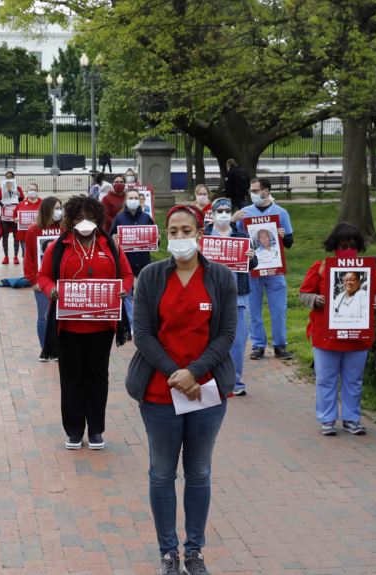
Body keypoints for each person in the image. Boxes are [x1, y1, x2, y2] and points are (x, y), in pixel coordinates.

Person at [126, 204, 237, 575]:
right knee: (162, 473)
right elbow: (143, 333)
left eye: (186, 231)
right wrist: (176, 372)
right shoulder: (151, 276)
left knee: (199, 472)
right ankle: (168, 553)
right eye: (172, 232)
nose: (179, 238)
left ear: (200, 234)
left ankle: (194, 551)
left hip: (207, 392)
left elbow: (226, 334)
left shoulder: (220, 277)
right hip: (159, 393)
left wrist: (195, 372)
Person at [37, 196, 134, 451]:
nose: (84, 222)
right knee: (70, 378)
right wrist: (51, 290)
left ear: (98, 220)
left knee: (97, 378)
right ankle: (73, 430)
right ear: (70, 220)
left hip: (102, 326)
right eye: (79, 218)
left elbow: (127, 275)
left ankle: (96, 429)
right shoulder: (58, 246)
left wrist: (123, 289)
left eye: (90, 218)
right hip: (68, 326)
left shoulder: (110, 246)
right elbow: (43, 276)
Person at [299, 223, 376, 436]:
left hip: (357, 337)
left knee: (353, 381)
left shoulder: (368, 269)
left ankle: (351, 419)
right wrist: (315, 300)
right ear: (334, 245)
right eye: (343, 245)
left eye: (352, 245)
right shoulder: (320, 267)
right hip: (326, 337)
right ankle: (327, 420)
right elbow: (304, 294)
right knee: (325, 380)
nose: (348, 249)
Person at [233, 177, 295, 361]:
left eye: (255, 191)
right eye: (250, 191)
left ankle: (280, 345)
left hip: (275, 270)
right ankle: (258, 345)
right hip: (253, 270)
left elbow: (289, 242)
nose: (251, 194)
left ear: (266, 191)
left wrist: (283, 236)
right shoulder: (245, 213)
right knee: (253, 310)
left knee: (279, 309)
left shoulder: (281, 213)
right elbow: (235, 237)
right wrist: (233, 220)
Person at [205, 197, 256, 396]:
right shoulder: (204, 236)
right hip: (209, 296)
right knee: (209, 340)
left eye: (227, 211)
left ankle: (235, 382)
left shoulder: (241, 236)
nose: (224, 214)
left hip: (237, 296)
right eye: (220, 211)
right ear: (213, 214)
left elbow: (252, 265)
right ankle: (211, 380)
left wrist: (252, 257)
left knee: (238, 342)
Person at [23, 196, 63, 361]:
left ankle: (59, 349)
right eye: (56, 208)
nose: (59, 211)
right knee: (44, 316)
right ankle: (45, 350)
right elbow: (29, 257)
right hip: (41, 282)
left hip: (62, 281)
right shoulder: (34, 230)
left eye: (60, 208)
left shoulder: (65, 229)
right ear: (47, 210)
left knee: (61, 316)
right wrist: (33, 281)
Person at [110, 187, 156, 323]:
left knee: (145, 293)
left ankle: (146, 320)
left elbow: (154, 240)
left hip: (143, 261)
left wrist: (156, 239)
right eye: (131, 198)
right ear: (125, 200)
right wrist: (114, 238)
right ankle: (130, 323)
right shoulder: (119, 218)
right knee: (127, 294)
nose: (133, 200)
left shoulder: (146, 218)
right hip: (126, 262)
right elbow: (110, 238)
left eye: (136, 198)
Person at [0, 171, 25, 264]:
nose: (9, 178)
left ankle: (15, 256)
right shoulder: (2, 188)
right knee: (5, 235)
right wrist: (3, 204)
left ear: (13, 178)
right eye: (7, 177)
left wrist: (19, 196)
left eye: (10, 177)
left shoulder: (18, 188)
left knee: (16, 236)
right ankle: (6, 256)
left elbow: (22, 200)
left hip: (15, 215)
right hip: (5, 215)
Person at [12, 182, 41, 266]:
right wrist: (16, 219)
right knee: (26, 255)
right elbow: (14, 215)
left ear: (37, 191)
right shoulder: (21, 204)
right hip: (24, 235)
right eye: (31, 190)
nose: (33, 191)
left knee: (38, 255)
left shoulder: (43, 203)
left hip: (38, 235)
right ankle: (27, 271)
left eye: (35, 190)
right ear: (27, 191)